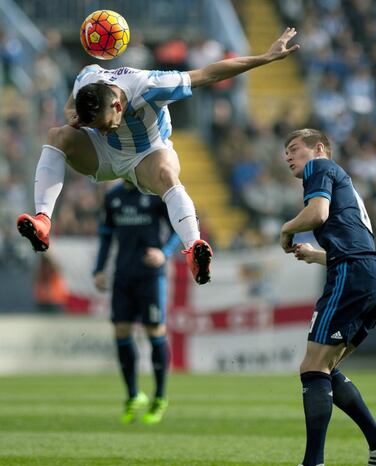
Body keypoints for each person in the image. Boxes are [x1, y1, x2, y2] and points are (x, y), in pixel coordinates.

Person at [16, 27, 300, 285]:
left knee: (166, 174)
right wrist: (74, 119)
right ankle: (43, 221)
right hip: (104, 156)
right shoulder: (89, 78)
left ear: (117, 104)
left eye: (103, 123)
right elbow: (71, 106)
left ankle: (194, 249)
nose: (103, 129)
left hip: (147, 155)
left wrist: (266, 57)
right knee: (58, 135)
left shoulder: (150, 86)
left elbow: (210, 73)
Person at [265, 129, 376, 466]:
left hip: (352, 275)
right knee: (325, 368)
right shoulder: (344, 182)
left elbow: (317, 214)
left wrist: (287, 228)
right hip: (373, 276)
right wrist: (318, 255)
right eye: (286, 152)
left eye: (294, 149)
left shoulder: (321, 166)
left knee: (312, 367)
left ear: (319, 148)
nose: (289, 157)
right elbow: (357, 243)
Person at [93, 180, 180, 424]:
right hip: (123, 275)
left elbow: (178, 227)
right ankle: (133, 394)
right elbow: (106, 235)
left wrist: (164, 252)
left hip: (150, 276)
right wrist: (99, 269)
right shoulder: (113, 197)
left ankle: (160, 396)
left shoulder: (155, 194)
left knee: (155, 330)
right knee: (121, 330)